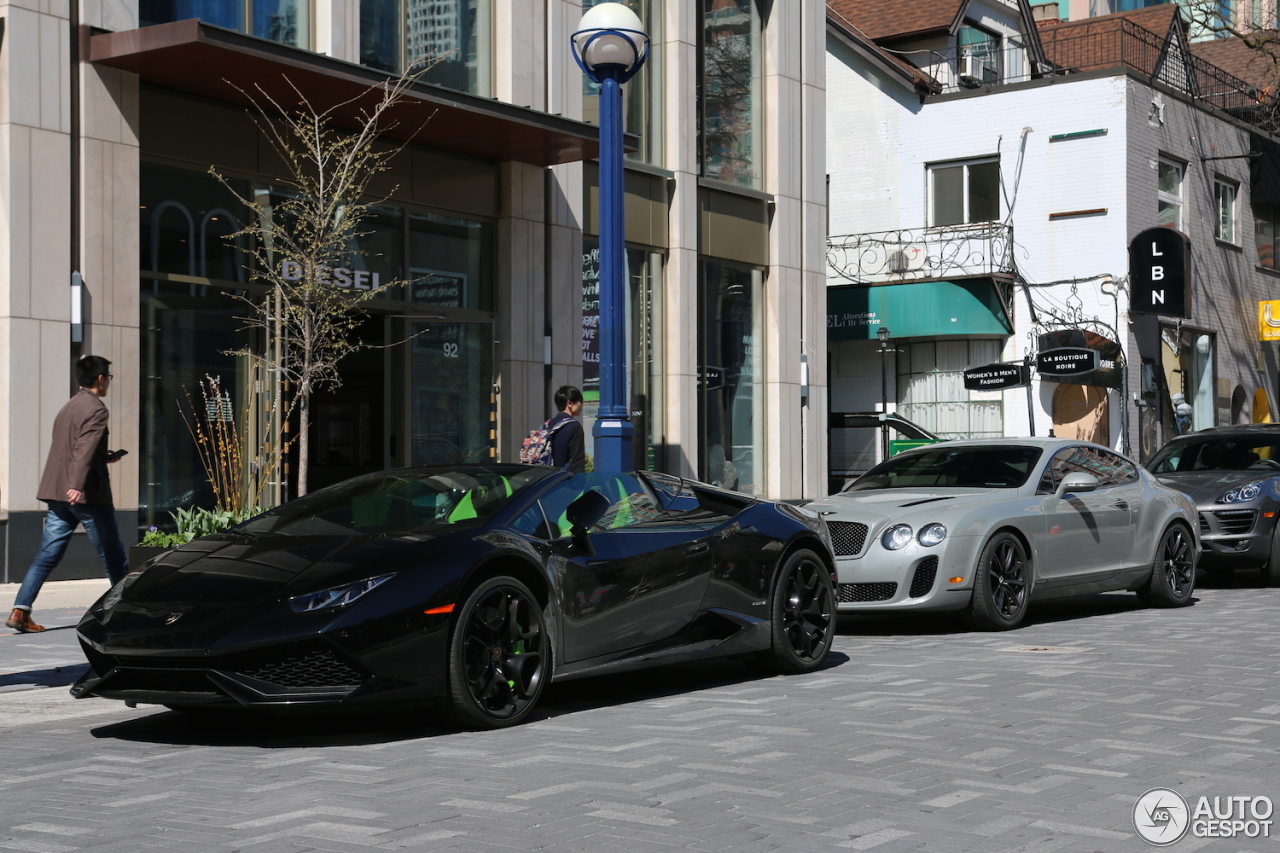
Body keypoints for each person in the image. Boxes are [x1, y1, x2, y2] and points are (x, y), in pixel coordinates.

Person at [6, 356, 128, 633]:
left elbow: (72, 447)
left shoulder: (69, 406)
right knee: (113, 554)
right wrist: (76, 483)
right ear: (100, 379)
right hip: (86, 495)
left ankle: (20, 610)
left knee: (47, 555)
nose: (108, 381)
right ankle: (126, 611)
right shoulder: (96, 408)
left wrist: (103, 457)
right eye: (108, 377)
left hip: (57, 493)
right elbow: (82, 448)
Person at [548, 385, 586, 474]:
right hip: (564, 481)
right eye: (579, 401)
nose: (581, 405)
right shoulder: (574, 427)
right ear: (569, 403)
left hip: (546, 480)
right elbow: (577, 462)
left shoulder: (548, 424)